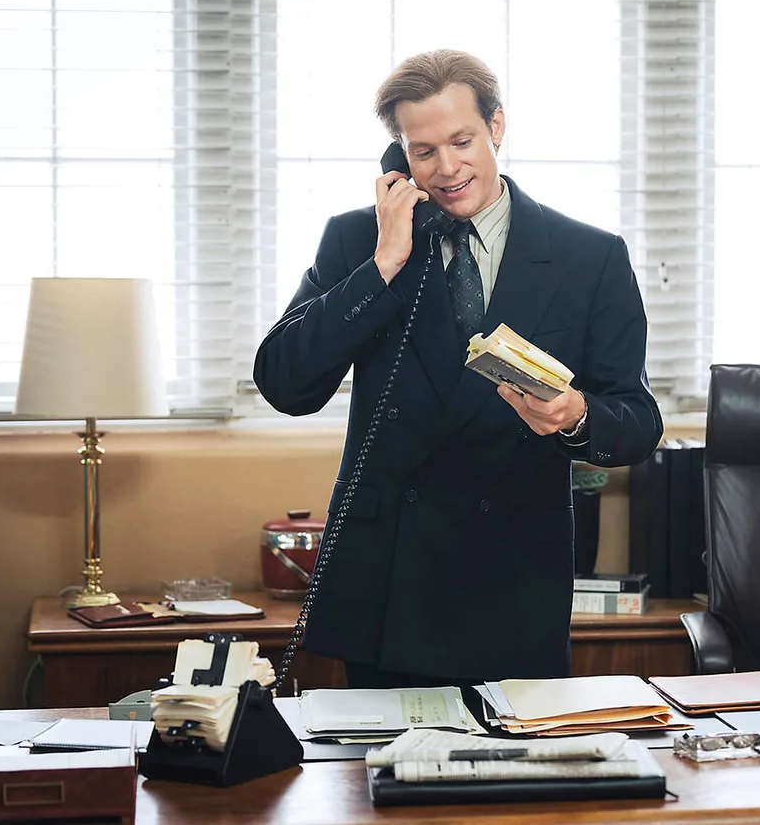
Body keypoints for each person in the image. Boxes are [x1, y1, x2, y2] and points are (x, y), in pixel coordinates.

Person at [253, 49, 662, 692]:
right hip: (389, 580)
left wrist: (576, 415)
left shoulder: (591, 257)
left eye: (462, 141)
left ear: (496, 126)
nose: (446, 169)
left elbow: (637, 423)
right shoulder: (360, 240)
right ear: (399, 159)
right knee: (385, 782)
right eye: (422, 151)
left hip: (513, 582)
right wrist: (383, 264)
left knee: (513, 785)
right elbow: (285, 385)